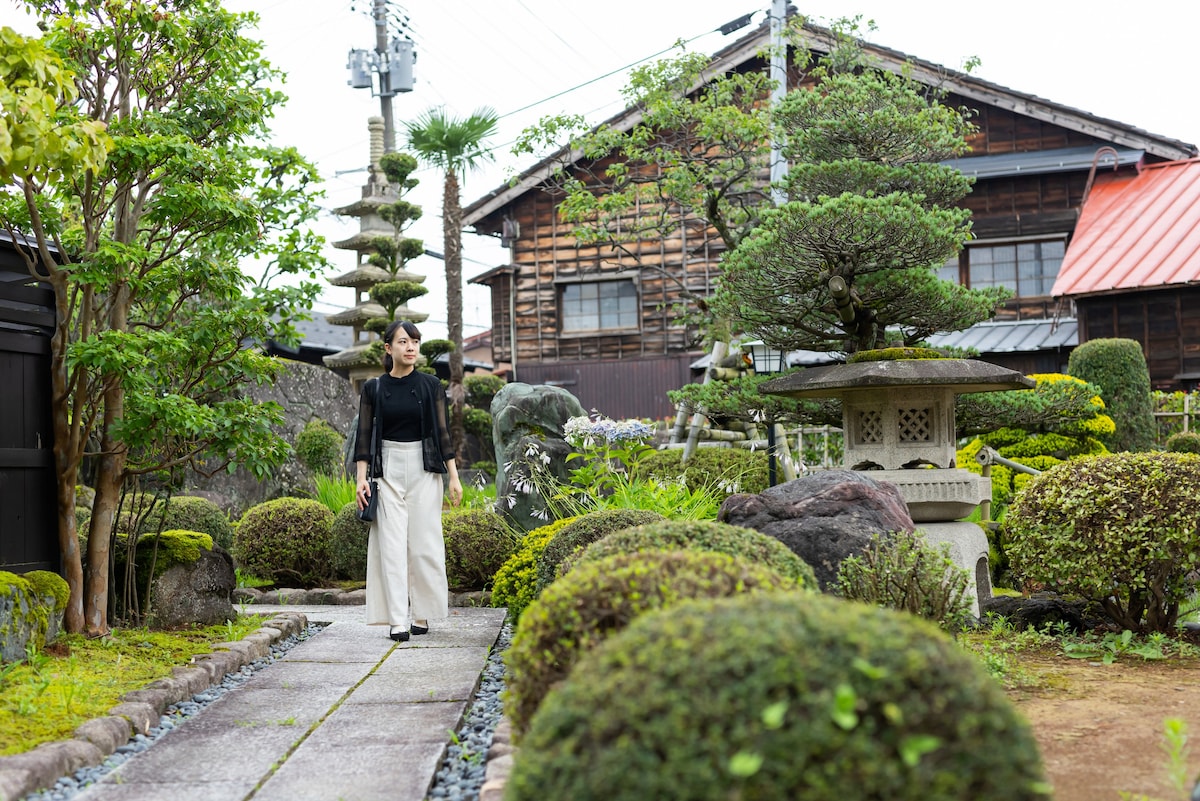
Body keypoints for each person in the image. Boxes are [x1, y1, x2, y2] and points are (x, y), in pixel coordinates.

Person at [355, 320, 463, 642]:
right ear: (389, 348)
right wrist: (361, 479)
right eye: (403, 342)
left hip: (425, 469)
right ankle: (397, 619)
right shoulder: (373, 388)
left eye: (415, 341)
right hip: (386, 471)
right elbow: (363, 437)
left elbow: (443, 434)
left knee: (424, 544)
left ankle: (422, 613)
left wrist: (454, 477)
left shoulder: (431, 386)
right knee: (390, 545)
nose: (411, 347)